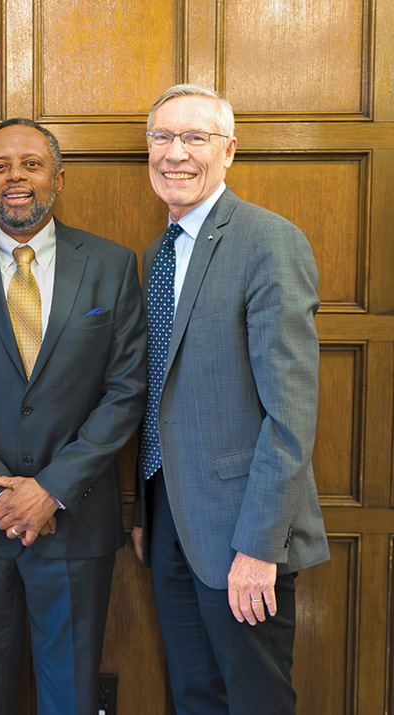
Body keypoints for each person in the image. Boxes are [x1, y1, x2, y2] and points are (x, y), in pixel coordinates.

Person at [0, 118, 147, 715]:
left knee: (70, 696)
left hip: (75, 523)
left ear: (59, 178)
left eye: (30, 164)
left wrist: (51, 488)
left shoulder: (111, 264)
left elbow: (126, 391)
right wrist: (3, 497)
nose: (15, 178)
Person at [131, 84, 330, 713]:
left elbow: (290, 415)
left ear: (229, 151)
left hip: (242, 530)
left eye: (195, 137)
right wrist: (145, 508)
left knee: (254, 700)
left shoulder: (268, 241)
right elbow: (158, 390)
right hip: (168, 520)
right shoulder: (155, 254)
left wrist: (259, 546)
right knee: (194, 695)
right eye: (162, 137)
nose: (175, 153)